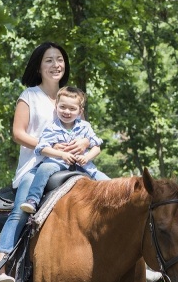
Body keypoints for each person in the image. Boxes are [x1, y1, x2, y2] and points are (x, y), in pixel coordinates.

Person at [0, 42, 91, 282]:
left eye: (59, 59)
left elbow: (84, 131)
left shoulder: (70, 97)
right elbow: (18, 133)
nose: (55, 64)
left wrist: (82, 144)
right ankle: (0, 266)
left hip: (70, 167)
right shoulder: (29, 96)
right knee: (21, 210)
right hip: (36, 168)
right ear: (38, 66)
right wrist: (51, 149)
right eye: (49, 60)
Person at [19, 86, 110, 214]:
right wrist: (61, 155)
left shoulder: (85, 127)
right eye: (63, 107)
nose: (67, 111)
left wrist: (87, 157)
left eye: (72, 109)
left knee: (108, 182)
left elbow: (97, 147)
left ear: (80, 111)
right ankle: (33, 199)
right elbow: (42, 148)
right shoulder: (51, 127)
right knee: (44, 169)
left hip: (83, 164)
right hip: (57, 162)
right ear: (56, 107)